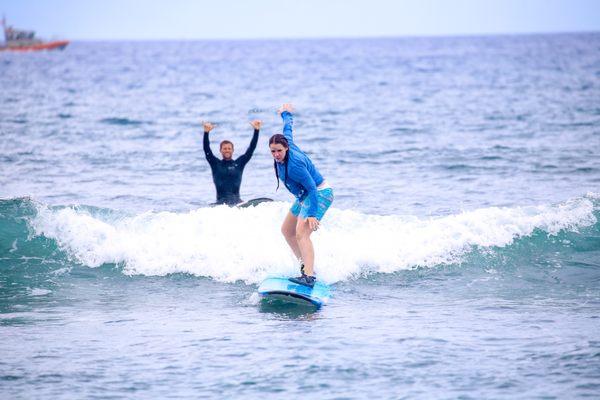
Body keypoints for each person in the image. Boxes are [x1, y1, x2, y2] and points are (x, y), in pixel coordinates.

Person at [269, 103, 334, 287]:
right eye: (272, 151)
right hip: (304, 196)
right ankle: (306, 267)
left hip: (319, 194)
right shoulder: (286, 142)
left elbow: (313, 188)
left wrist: (312, 214)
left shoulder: (295, 165)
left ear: (286, 148)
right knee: (287, 230)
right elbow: (287, 127)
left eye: (279, 151)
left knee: (301, 234)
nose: (276, 155)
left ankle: (309, 276)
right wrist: (286, 113)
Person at [202, 120, 261, 206]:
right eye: (224, 148)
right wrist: (206, 132)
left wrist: (256, 130)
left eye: (229, 148)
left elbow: (251, 149)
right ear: (220, 150)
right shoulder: (215, 164)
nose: (227, 150)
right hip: (220, 204)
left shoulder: (239, 163)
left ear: (233, 150)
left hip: (237, 202)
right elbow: (206, 149)